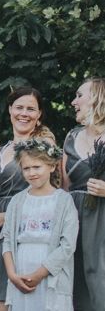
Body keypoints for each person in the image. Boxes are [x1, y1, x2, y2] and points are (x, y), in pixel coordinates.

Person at [0, 86, 56, 311]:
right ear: (10, 109)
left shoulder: (43, 146)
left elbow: (49, 197)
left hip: (26, 231)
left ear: (39, 114)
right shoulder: (2, 149)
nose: (24, 113)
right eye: (19, 107)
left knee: (24, 298)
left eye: (31, 109)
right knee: (0, 299)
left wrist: (5, 217)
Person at [1, 139, 78, 311]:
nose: (31, 173)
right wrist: (12, 275)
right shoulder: (17, 201)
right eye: (26, 168)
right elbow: (7, 239)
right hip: (21, 270)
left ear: (51, 166)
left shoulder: (64, 200)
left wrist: (39, 274)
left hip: (50, 273)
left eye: (37, 167)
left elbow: (67, 245)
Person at [62, 77, 105, 311]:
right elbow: (63, 187)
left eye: (80, 95)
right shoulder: (71, 136)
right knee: (74, 283)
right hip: (74, 218)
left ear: (98, 97)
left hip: (102, 219)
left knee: (100, 280)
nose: (73, 101)